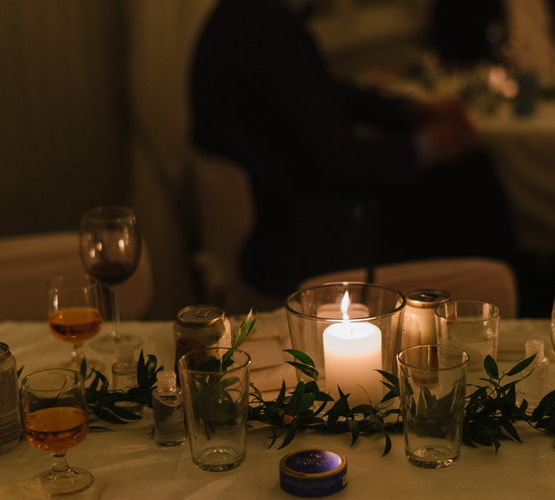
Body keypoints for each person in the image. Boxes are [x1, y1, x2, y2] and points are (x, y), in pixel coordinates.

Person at [190, 0, 516, 296]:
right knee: (468, 178)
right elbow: (341, 162)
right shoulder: (263, 27)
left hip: (288, 209)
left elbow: (319, 92)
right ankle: (498, 308)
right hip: (299, 234)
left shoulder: (242, 15)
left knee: (462, 174)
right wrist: (427, 145)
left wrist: (406, 111)